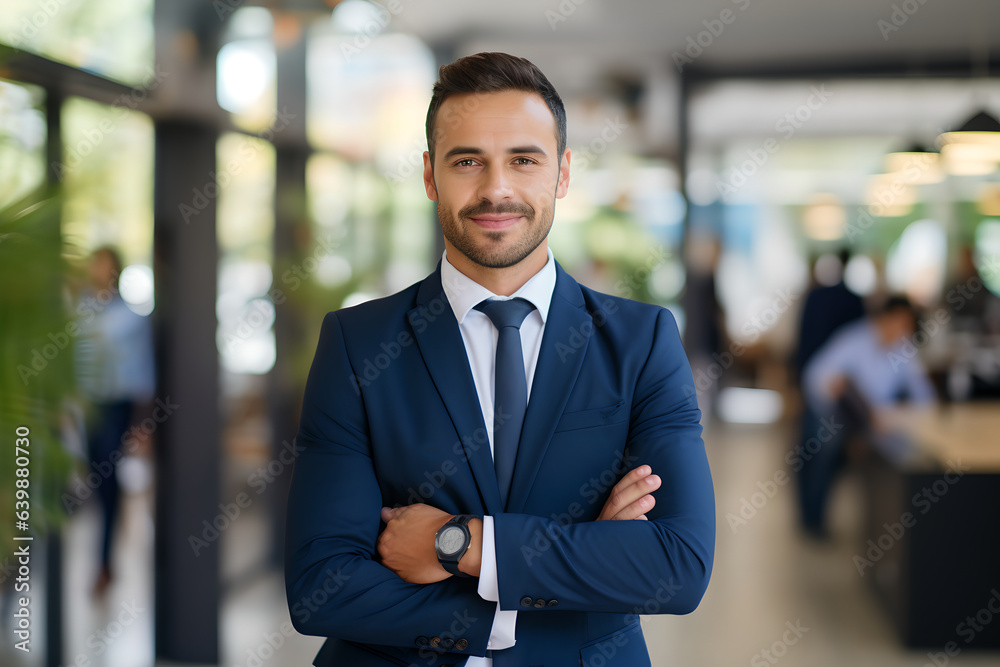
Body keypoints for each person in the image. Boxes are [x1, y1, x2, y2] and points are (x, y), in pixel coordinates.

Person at [284, 52, 715, 666]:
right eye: (467, 162)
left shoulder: (643, 341)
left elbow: (678, 566)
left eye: (523, 159)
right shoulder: (359, 344)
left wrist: (456, 544)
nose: (496, 190)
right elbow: (320, 587)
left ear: (562, 174)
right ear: (431, 176)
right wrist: (571, 571)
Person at [797, 295, 935, 538]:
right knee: (824, 452)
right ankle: (813, 521)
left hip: (872, 419)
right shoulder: (854, 339)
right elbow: (818, 379)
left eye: (908, 326)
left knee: (892, 454)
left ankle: (881, 527)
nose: (904, 331)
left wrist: (927, 416)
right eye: (900, 323)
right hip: (830, 412)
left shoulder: (904, 349)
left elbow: (921, 391)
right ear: (885, 318)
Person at [74, 246, 155, 595]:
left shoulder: (133, 318)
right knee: (97, 481)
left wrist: (144, 423)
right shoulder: (80, 313)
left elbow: (143, 372)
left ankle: (104, 562)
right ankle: (106, 555)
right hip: (88, 406)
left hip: (117, 406)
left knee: (107, 478)